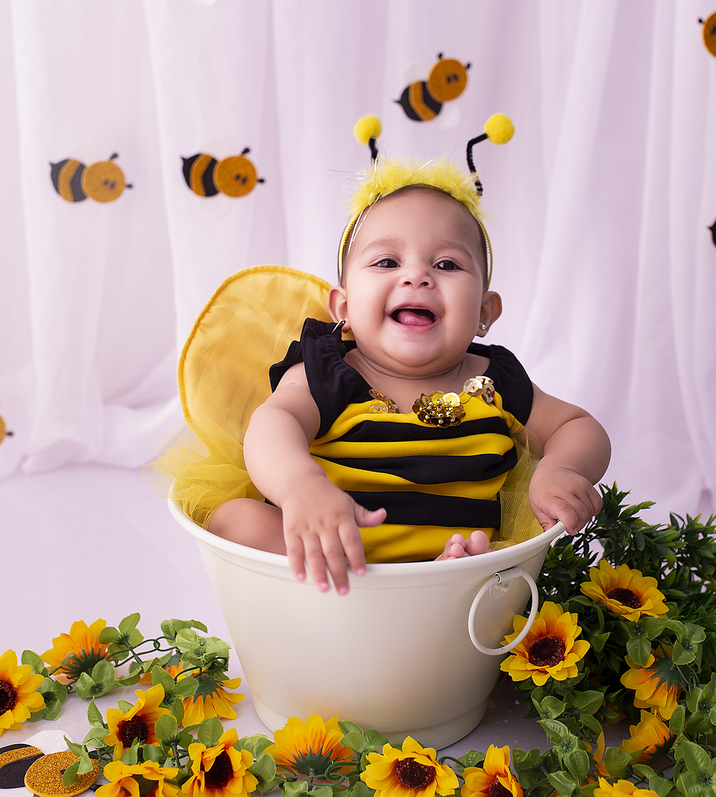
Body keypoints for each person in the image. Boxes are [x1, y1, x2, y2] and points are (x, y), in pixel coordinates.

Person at [206, 154, 611, 596]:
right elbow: (272, 424)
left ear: (483, 313)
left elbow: (577, 425)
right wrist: (300, 486)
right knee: (234, 521)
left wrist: (561, 467)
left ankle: (444, 583)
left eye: (446, 265)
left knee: (485, 564)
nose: (416, 276)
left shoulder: (495, 380)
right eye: (385, 263)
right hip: (331, 552)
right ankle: (350, 603)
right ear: (343, 308)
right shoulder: (327, 370)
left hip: (448, 571)